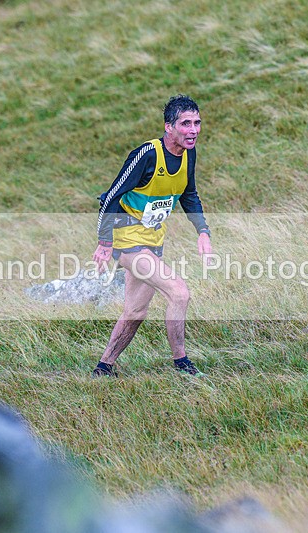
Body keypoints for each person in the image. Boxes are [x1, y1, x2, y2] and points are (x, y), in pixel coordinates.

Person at [91, 94, 213, 377]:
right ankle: (182, 364)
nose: (193, 130)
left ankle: (103, 368)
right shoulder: (146, 155)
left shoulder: (188, 154)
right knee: (179, 293)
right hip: (128, 240)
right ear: (168, 127)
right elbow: (111, 196)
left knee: (135, 312)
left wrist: (203, 232)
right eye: (185, 124)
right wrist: (104, 243)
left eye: (197, 123)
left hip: (153, 240)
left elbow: (189, 194)